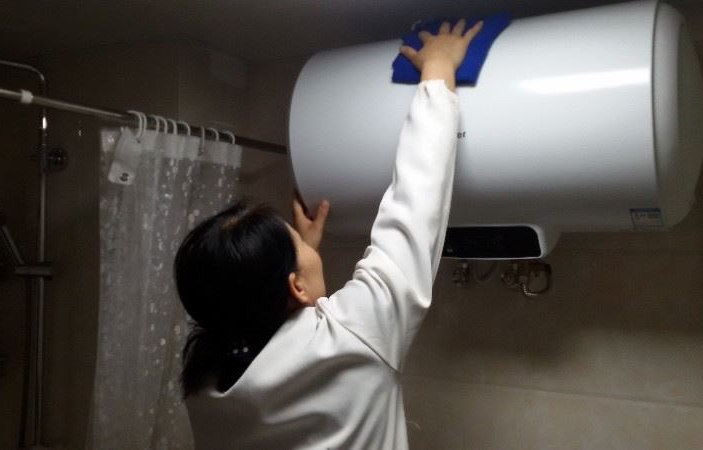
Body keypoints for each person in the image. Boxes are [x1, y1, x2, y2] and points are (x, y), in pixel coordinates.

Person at [174, 19, 483, 449]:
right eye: (298, 245)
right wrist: (438, 67)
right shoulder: (352, 335)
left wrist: (300, 256)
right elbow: (417, 203)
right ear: (295, 286)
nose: (307, 247)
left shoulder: (206, 387)